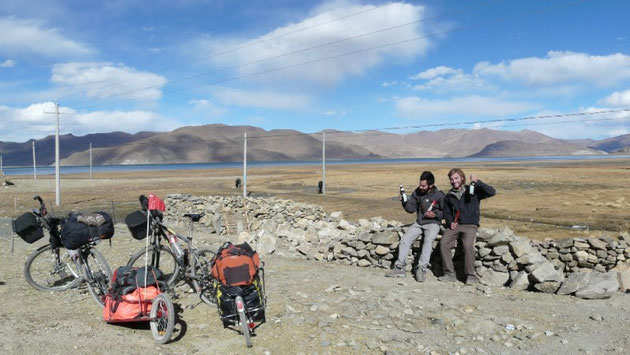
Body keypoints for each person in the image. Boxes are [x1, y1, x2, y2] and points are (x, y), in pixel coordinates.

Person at [439, 168, 495, 285]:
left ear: (462, 178)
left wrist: (477, 181)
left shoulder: (472, 189)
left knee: (468, 246)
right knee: (444, 243)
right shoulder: (449, 195)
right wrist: (450, 222)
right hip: (456, 225)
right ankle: (449, 273)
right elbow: (447, 212)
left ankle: (470, 275)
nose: (454, 181)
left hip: (470, 225)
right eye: (451, 179)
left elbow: (492, 192)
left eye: (456, 178)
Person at [386, 171, 444, 282]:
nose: (420, 187)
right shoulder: (417, 192)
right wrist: (404, 202)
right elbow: (411, 209)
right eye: (420, 184)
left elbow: (446, 212)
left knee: (428, 242)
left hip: (433, 223)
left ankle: (421, 269)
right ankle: (399, 268)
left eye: (423, 185)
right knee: (405, 240)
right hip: (419, 223)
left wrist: (435, 214)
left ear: (430, 185)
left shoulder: (439, 195)